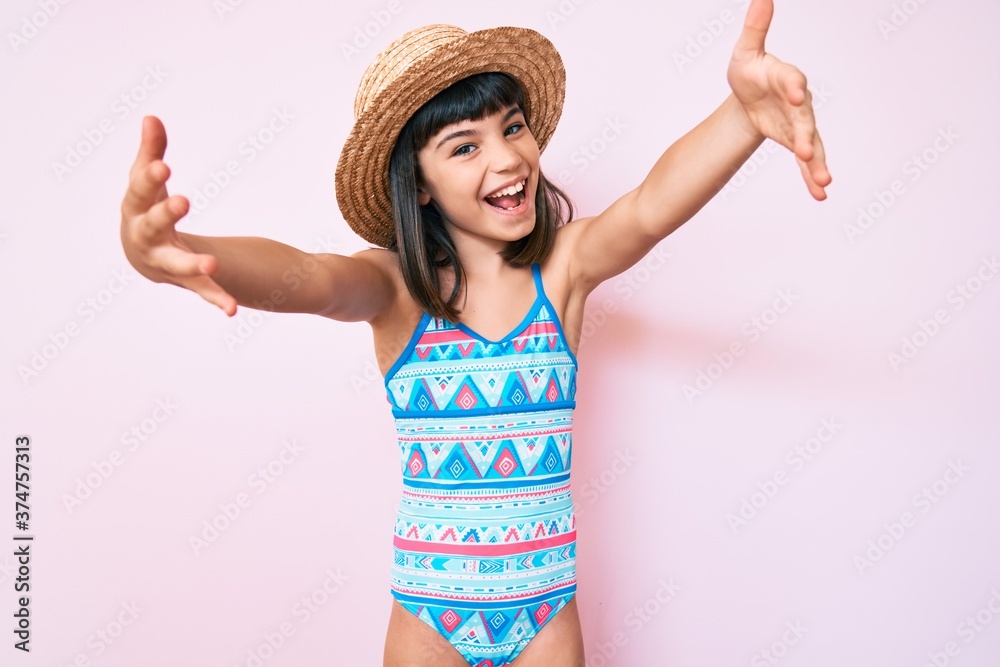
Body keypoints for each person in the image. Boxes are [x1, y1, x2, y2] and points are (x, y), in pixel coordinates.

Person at [119, 1, 830, 665]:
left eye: (512, 126)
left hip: (546, 610)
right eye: (465, 147)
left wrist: (742, 116)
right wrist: (180, 246)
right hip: (429, 614)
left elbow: (647, 208)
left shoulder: (564, 270)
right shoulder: (396, 289)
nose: (506, 157)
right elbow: (312, 275)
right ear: (418, 185)